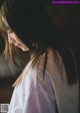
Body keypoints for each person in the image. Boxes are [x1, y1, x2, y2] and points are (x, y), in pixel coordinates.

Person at [0, 0, 79, 113]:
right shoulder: (63, 52)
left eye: (11, 30)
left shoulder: (37, 74)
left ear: (25, 23)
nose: (10, 40)